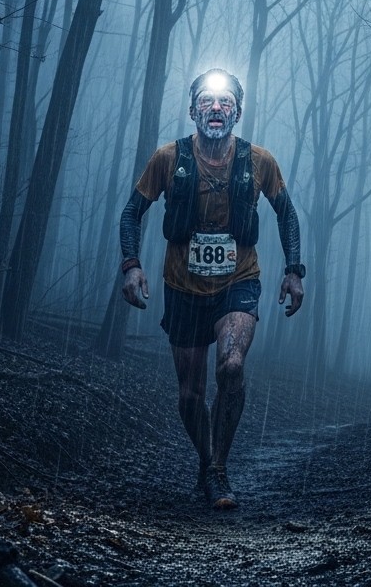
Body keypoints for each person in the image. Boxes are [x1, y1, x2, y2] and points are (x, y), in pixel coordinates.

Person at [118, 68, 304, 510]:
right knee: (190, 396)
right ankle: (205, 462)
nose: (216, 109)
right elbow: (132, 212)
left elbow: (287, 214)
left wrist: (294, 270)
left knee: (232, 367)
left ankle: (219, 469)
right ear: (192, 111)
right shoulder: (168, 158)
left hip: (238, 284)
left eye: (225, 103)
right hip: (182, 286)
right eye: (207, 101)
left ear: (238, 113)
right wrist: (131, 265)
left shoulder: (260, 161)